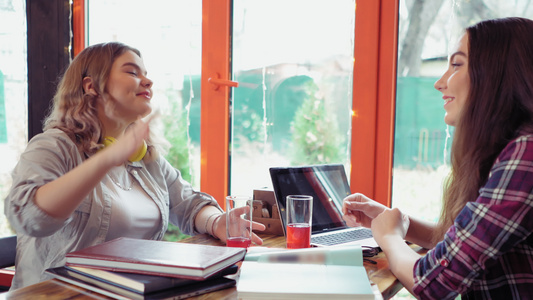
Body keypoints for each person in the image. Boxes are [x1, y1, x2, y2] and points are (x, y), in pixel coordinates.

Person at [4, 42, 265, 290]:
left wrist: (217, 221)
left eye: (147, 74)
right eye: (132, 72)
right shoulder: (53, 146)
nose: (148, 81)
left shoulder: (145, 156)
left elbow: (189, 205)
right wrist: (106, 159)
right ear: (91, 86)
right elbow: (29, 217)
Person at [342, 17, 533, 299]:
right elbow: (468, 245)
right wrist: (395, 220)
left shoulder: (526, 154)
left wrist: (390, 236)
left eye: (456, 65)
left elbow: (434, 283)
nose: (439, 83)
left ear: (497, 74)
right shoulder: (512, 148)